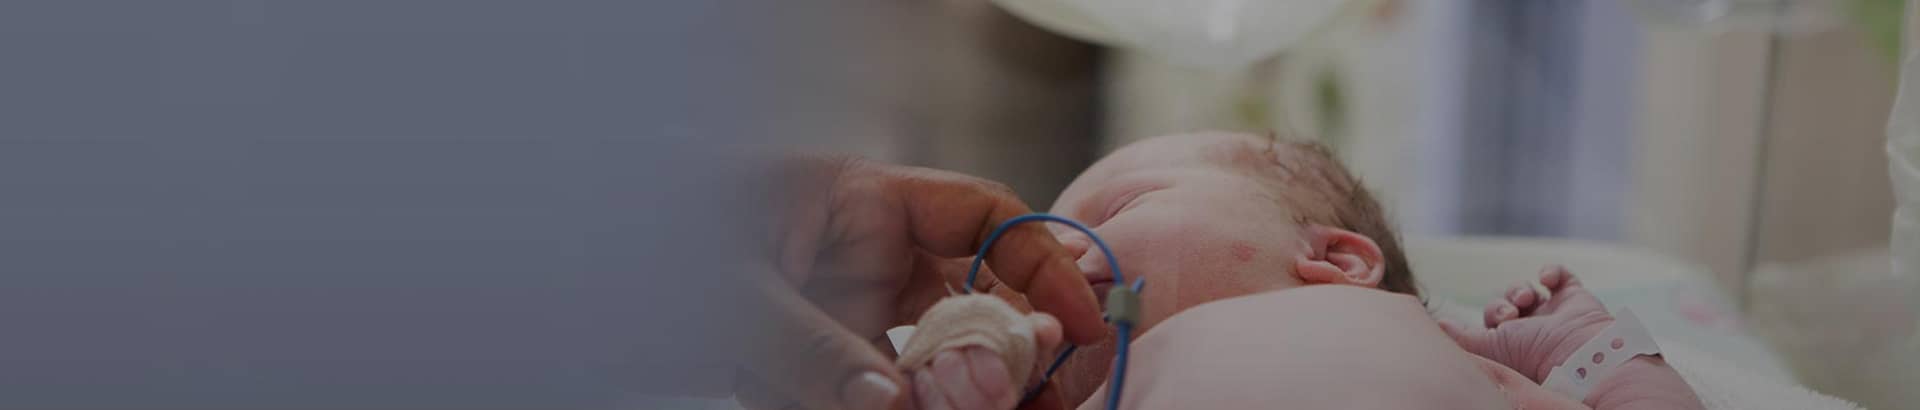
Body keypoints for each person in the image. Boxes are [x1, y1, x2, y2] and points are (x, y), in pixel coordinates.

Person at [899, 132, 1702, 409]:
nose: (1058, 254)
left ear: (1334, 261)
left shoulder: (1437, 345)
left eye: (1111, 213)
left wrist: (1594, 351)